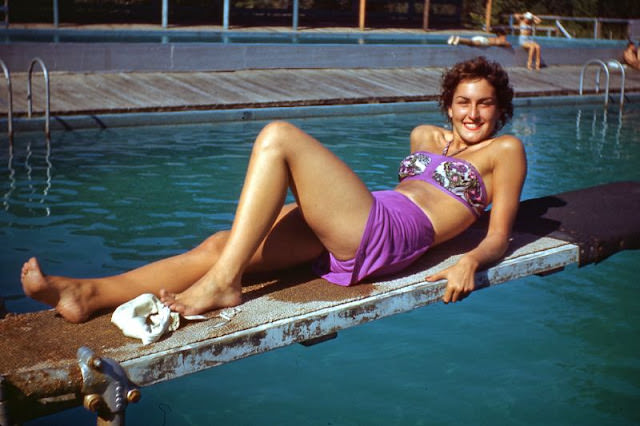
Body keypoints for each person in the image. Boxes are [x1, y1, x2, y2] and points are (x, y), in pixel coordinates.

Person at [20, 56, 527, 323]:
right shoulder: (424, 137)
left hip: (394, 233)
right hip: (371, 216)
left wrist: (471, 261)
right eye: (463, 102)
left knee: (279, 137)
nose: (472, 114)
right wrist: (438, 151)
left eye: (484, 104)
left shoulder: (505, 152)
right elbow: (410, 187)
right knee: (222, 245)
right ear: (448, 103)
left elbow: (499, 233)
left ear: (499, 108)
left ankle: (223, 285)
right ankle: (87, 293)